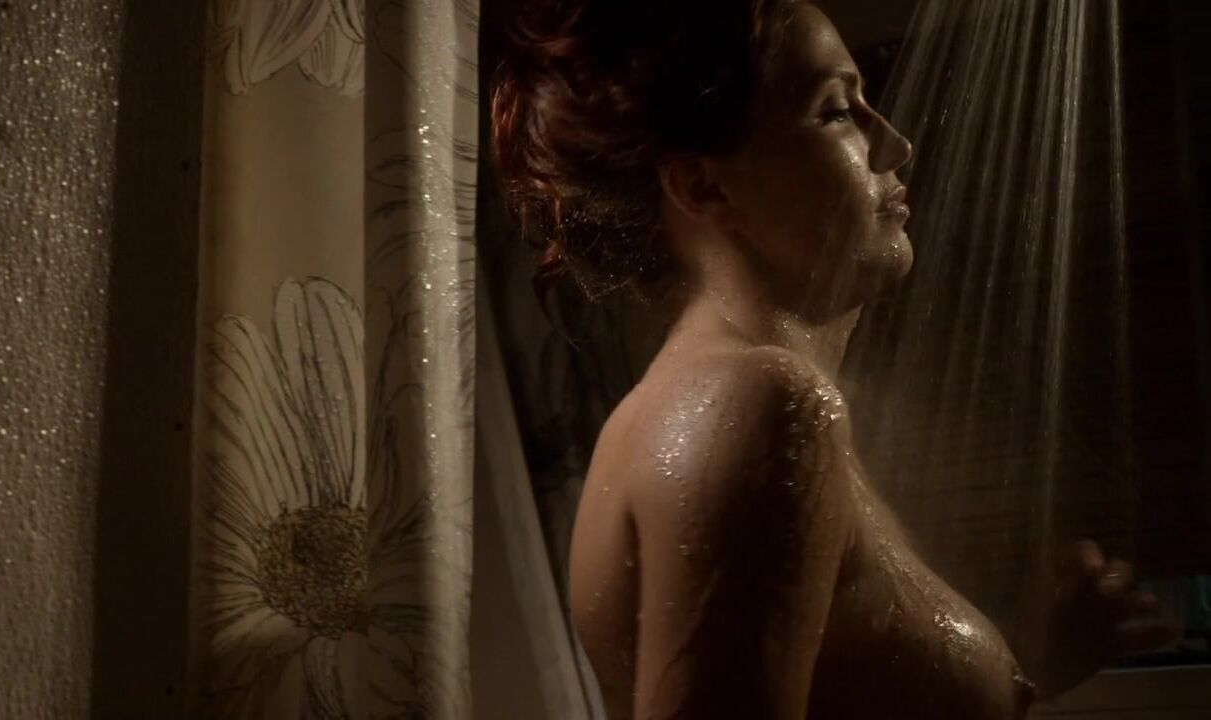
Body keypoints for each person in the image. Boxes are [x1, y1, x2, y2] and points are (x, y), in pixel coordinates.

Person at [490, 1, 1180, 717]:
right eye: (836, 111)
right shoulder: (760, 404)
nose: (895, 145)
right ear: (703, 186)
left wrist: (1026, 663)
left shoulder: (702, 404)